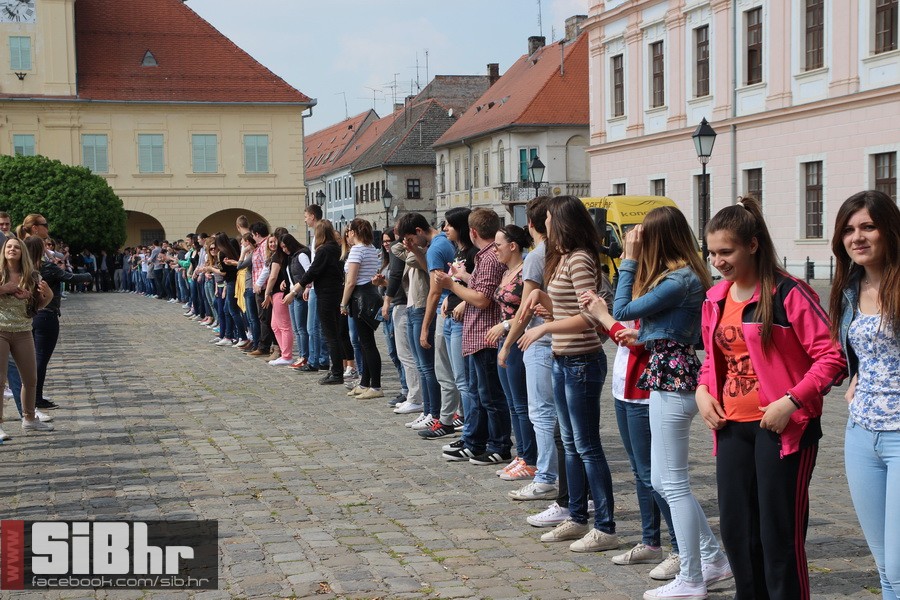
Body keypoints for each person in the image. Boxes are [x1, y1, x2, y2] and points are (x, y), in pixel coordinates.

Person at [694, 197, 845, 600]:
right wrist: (702, 390)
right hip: (730, 429)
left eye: (726, 251)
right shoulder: (715, 298)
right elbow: (712, 359)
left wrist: (791, 401)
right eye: (712, 252)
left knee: (779, 539)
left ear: (753, 245)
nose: (718, 260)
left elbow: (832, 357)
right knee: (738, 536)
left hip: (783, 431)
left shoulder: (788, 293)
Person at [611, 206, 730, 600]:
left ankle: (693, 577)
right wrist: (645, 338)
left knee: (673, 484)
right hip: (668, 374)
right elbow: (670, 329)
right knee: (664, 481)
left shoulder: (679, 279)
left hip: (673, 380)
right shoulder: (683, 277)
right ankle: (712, 558)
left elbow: (622, 310)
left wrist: (628, 260)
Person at [517, 195, 618, 554]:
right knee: (571, 445)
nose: (544, 225)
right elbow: (567, 308)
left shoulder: (579, 259)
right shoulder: (559, 259)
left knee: (587, 446)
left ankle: (604, 525)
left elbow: (592, 315)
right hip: (563, 360)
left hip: (581, 363)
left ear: (562, 223)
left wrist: (545, 328)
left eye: (549, 220)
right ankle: (575, 517)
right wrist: (543, 302)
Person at [829, 189, 900, 599]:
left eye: (868, 227)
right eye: (849, 230)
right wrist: (856, 377)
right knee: (883, 564)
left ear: (889, 230)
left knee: (897, 562)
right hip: (861, 435)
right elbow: (854, 350)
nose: (857, 237)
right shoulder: (849, 289)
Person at [580, 293, 681, 580]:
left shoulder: (657, 296)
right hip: (624, 388)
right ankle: (651, 541)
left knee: (654, 475)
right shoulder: (633, 293)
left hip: (645, 393)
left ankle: (680, 548)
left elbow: (638, 344)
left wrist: (604, 316)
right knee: (640, 472)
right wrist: (598, 318)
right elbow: (620, 338)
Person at [437, 208, 512, 466]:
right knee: (479, 394)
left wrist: (452, 286)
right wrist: (462, 277)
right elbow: (482, 289)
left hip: (485, 336)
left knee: (490, 396)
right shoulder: (485, 257)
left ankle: (499, 444)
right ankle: (476, 442)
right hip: (476, 335)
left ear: (473, 232)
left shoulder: (490, 258)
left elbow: (481, 299)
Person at [485, 224, 536, 479]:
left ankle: (530, 457)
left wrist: (505, 329)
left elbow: (525, 311)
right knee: (512, 403)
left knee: (521, 404)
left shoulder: (526, 270)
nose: (495, 250)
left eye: (498, 245)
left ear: (513, 246)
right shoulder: (507, 271)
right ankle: (522, 454)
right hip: (504, 340)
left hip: (516, 341)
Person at [0, 237, 53, 435]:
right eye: (9, 247)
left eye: (16, 247)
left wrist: (46, 296)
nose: (12, 249)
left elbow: (34, 309)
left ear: (22, 252)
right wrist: (4, 289)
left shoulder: (31, 276)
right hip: (1, 330)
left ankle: (29, 418)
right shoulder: (0, 273)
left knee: (31, 378)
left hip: (23, 331)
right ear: (4, 250)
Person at [298, 220, 352, 385]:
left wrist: (296, 289)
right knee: (333, 334)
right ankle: (335, 370)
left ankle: (336, 372)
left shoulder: (324, 250)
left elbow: (313, 271)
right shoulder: (336, 248)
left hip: (327, 295)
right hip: (335, 293)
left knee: (331, 335)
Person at [341, 218, 384, 399]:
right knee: (365, 341)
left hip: (360, 296)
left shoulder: (357, 250)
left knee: (367, 343)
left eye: (349, 231)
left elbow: (351, 281)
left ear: (354, 232)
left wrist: (343, 302)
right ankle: (365, 382)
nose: (347, 235)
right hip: (369, 293)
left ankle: (375, 385)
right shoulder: (371, 249)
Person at [279, 234, 311, 369]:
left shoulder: (301, 255)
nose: (284, 250)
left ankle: (305, 356)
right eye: (283, 248)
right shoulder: (291, 257)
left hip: (300, 294)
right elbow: (291, 274)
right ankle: (302, 355)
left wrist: (307, 287)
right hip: (293, 293)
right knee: (296, 328)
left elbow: (309, 272)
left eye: (285, 246)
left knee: (301, 328)